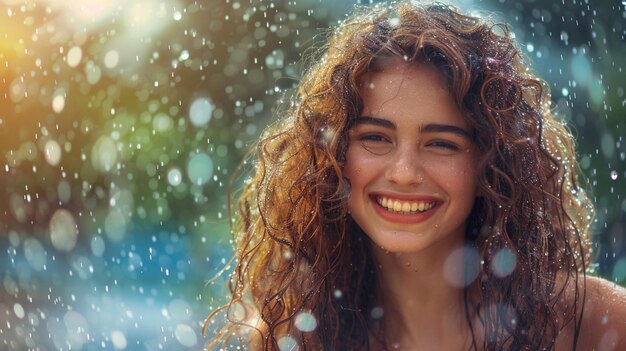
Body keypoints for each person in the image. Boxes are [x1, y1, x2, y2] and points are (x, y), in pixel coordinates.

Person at [204, 1, 626, 350]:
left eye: (441, 143)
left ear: (491, 164)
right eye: (376, 138)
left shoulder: (595, 323)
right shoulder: (294, 335)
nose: (404, 173)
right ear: (332, 153)